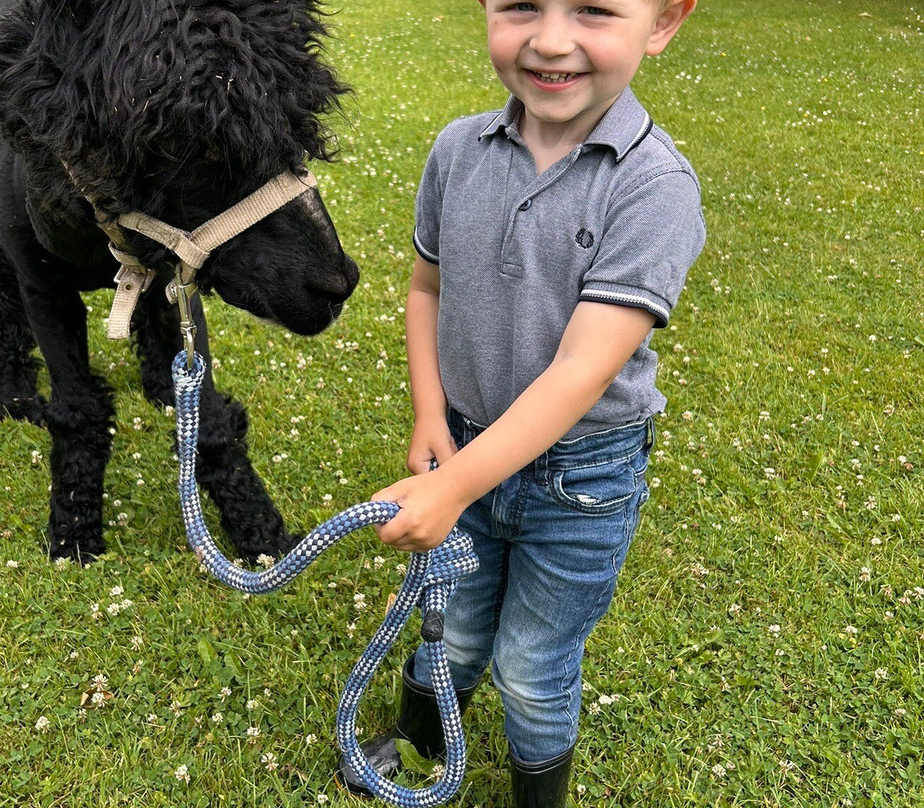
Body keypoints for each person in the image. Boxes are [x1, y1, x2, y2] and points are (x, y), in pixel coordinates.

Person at [337, 0, 704, 805]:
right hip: (463, 443)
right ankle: (423, 737)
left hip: (580, 482)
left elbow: (581, 371)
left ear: (666, 21)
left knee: (532, 664)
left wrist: (453, 486)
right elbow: (425, 287)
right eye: (520, 6)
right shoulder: (456, 150)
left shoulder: (654, 188)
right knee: (454, 626)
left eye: (596, 10)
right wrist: (431, 416)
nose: (549, 39)